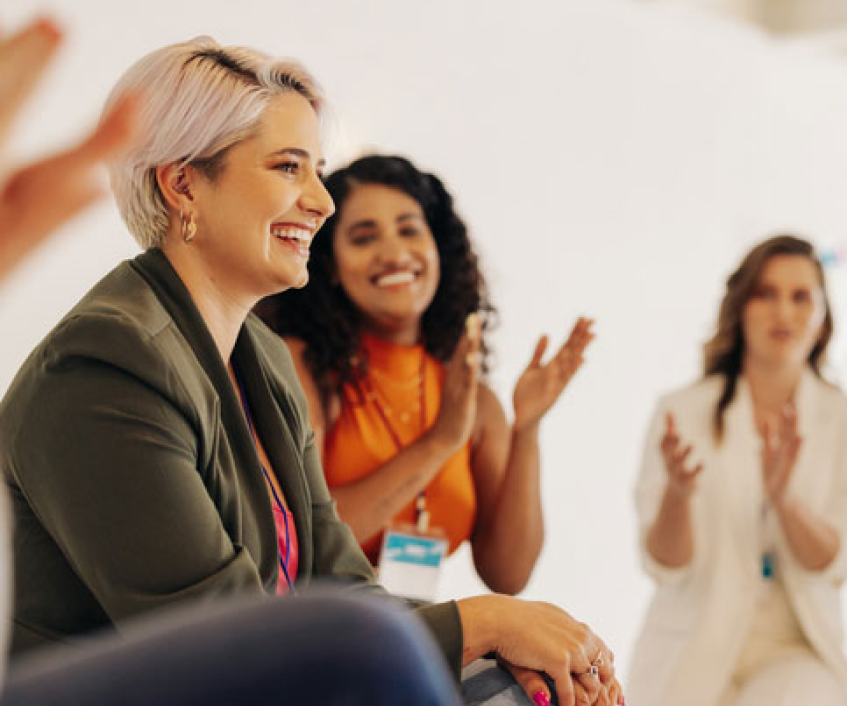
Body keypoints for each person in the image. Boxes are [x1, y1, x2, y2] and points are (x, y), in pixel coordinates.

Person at [0, 36, 621, 706]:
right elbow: (220, 637)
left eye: (317, 170)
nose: (322, 202)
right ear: (183, 184)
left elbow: (340, 584)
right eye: (289, 168)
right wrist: (485, 621)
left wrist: (497, 644)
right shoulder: (103, 364)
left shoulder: (261, 358)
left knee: (529, 690)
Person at [257, 154, 593, 596]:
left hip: (409, 634)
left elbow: (507, 574)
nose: (394, 253)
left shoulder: (471, 399)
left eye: (410, 230)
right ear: (332, 267)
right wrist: (439, 444)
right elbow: (304, 538)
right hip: (313, 628)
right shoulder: (299, 366)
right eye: (363, 237)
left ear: (438, 250)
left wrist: (526, 430)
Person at [629, 235, 847, 706]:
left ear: (823, 317)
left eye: (800, 296)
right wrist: (679, 495)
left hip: (797, 647)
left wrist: (786, 500)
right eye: (765, 293)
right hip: (694, 642)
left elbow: (834, 562)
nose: (783, 312)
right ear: (740, 306)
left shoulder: (840, 419)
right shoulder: (681, 412)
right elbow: (665, 565)